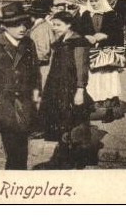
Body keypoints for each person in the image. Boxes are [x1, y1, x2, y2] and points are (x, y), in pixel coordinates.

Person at [0, 2, 41, 170]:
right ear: (5, 26)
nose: (22, 28)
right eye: (16, 24)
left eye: (24, 24)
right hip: (4, 105)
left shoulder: (29, 44)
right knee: (13, 151)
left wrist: (36, 97)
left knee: (23, 150)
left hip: (25, 104)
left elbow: (35, 73)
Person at [39, 11, 97, 168]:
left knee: (76, 122)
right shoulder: (60, 41)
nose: (55, 28)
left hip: (71, 87)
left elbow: (81, 68)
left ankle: (79, 158)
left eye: (58, 25)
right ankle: (64, 155)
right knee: (62, 120)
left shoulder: (78, 42)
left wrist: (80, 89)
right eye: (54, 25)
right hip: (57, 87)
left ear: (69, 25)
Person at [80, 0, 125, 122]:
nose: (94, 4)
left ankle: (109, 111)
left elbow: (119, 35)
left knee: (107, 81)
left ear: (102, 0)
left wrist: (106, 36)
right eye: (91, 1)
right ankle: (88, 109)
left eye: (96, 0)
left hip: (107, 54)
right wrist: (86, 36)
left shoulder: (111, 15)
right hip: (91, 54)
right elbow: (79, 31)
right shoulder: (86, 15)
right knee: (91, 82)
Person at [28, 0, 55, 90]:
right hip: (43, 68)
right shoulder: (43, 26)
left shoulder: (41, 29)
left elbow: (43, 53)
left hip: (43, 69)